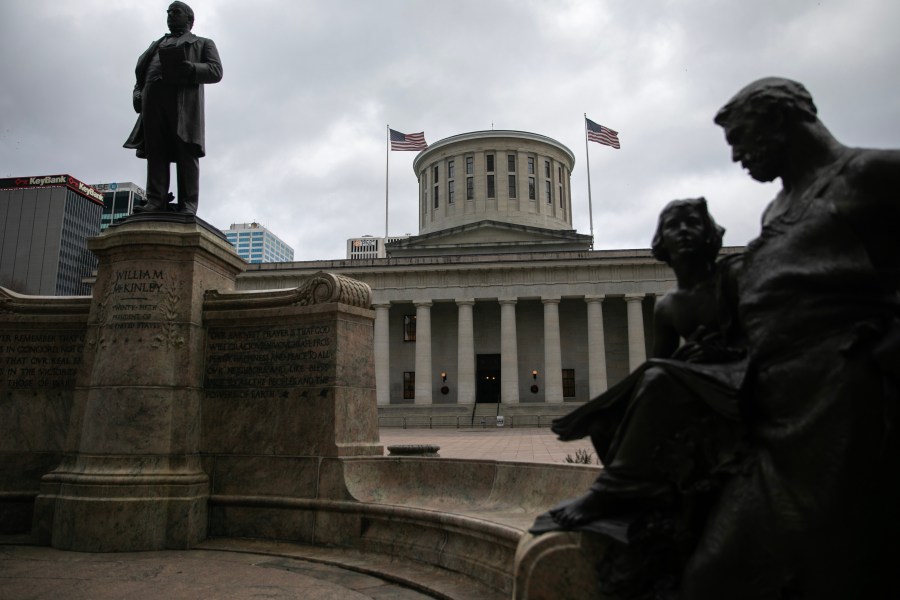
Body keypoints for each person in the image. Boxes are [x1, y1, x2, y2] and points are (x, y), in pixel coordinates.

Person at [681, 78, 900, 600]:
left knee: (832, 564)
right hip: (778, 413)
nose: (735, 156)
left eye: (741, 138)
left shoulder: (871, 176)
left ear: (780, 120)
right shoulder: (776, 211)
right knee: (714, 572)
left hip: (846, 408)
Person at [531, 199, 747, 596]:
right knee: (606, 419)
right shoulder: (667, 306)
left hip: (738, 381)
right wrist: (600, 408)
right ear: (661, 242)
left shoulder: (736, 278)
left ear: (711, 235)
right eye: (673, 226)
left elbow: (764, 335)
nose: (683, 232)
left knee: (659, 380)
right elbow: (655, 365)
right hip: (692, 382)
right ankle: (642, 502)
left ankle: (610, 492)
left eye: (692, 224)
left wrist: (723, 352)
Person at [124, 2, 222, 216]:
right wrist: (138, 93)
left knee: (185, 149)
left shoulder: (203, 43)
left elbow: (216, 70)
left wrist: (191, 68)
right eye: (168, 12)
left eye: (175, 12)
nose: (170, 16)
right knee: (155, 151)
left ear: (189, 19)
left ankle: (188, 203)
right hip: (152, 101)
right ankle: (155, 200)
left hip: (182, 103)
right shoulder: (156, 44)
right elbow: (140, 77)